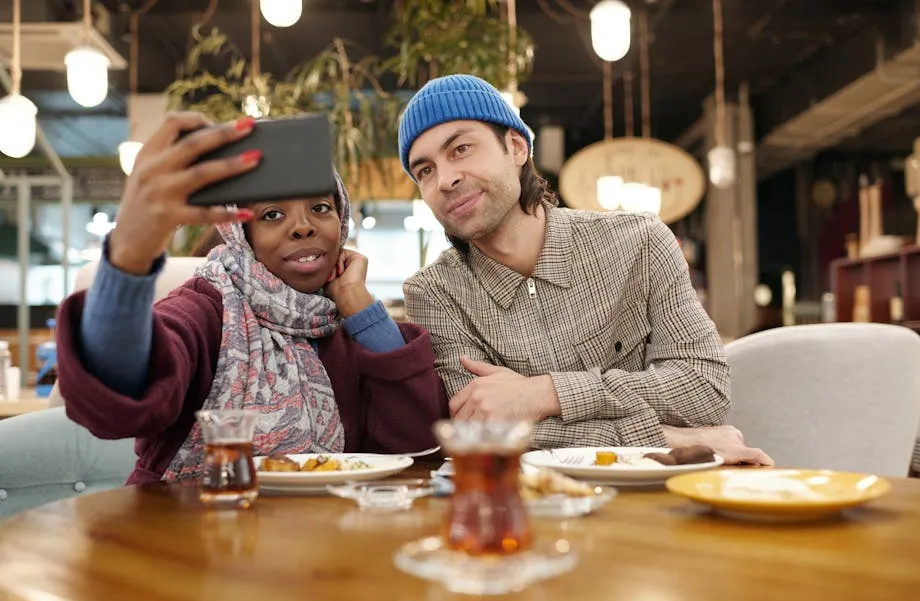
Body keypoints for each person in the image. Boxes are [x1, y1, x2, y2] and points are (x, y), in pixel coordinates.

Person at [56, 112, 448, 485]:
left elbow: (417, 445)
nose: (303, 227)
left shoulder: (345, 322)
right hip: (186, 534)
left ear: (342, 218)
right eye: (273, 215)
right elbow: (117, 398)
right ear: (241, 234)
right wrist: (129, 257)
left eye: (321, 207)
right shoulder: (208, 308)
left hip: (325, 540)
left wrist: (362, 310)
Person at [399, 74, 771, 465]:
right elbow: (480, 433)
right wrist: (665, 436)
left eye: (460, 149)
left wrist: (544, 394)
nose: (445, 179)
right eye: (424, 170)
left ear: (515, 147)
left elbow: (704, 389)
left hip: (658, 504)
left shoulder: (639, 242)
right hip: (530, 509)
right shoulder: (434, 292)